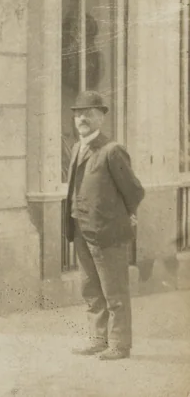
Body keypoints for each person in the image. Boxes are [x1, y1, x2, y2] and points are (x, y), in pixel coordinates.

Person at [65, 90, 145, 361]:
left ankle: (120, 345)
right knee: (91, 289)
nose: (82, 118)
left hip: (107, 232)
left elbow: (134, 191)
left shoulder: (112, 150)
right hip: (81, 230)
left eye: (89, 113)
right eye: (78, 113)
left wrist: (123, 216)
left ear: (102, 116)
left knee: (115, 291)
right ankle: (98, 340)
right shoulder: (77, 147)